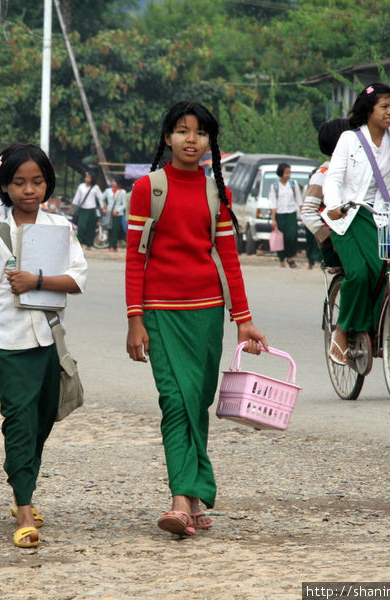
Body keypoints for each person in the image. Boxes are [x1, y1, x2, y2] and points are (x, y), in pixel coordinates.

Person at [125, 100, 267, 538]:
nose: (192, 139)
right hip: (161, 314)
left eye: (201, 132)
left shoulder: (214, 192)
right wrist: (135, 319)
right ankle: (181, 499)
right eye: (182, 131)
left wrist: (243, 319)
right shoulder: (148, 188)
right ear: (167, 137)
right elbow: (135, 257)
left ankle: (194, 495)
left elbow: (228, 257)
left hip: (206, 314)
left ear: (210, 142)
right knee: (175, 401)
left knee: (197, 402)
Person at [0, 143, 88, 548]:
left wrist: (36, 281)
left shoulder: (61, 229)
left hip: (48, 339)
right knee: (18, 419)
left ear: (47, 183)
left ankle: (22, 480)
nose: (29, 190)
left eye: (36, 181)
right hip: (8, 342)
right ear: (5, 186)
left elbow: (77, 279)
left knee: (42, 418)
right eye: (19, 182)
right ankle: (23, 506)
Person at [323, 83, 390, 365]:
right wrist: (333, 205)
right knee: (358, 274)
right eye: (384, 106)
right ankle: (342, 332)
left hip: (382, 217)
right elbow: (333, 177)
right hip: (349, 215)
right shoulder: (349, 139)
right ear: (368, 110)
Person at [300, 119, 351, 273]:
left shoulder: (354, 173)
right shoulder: (323, 175)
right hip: (338, 242)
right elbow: (308, 212)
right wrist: (329, 237)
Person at [268, 163, 302, 268]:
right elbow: (273, 203)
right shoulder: (275, 186)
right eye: (286, 173)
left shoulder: (293, 184)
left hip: (291, 214)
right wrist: (273, 219)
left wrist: (303, 214)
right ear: (281, 173)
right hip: (280, 215)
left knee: (291, 236)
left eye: (289, 172)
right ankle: (282, 258)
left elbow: (299, 200)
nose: (288, 175)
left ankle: (290, 256)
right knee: (281, 238)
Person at [71, 172, 102, 248]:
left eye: (89, 177)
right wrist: (72, 206)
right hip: (82, 209)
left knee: (90, 227)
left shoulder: (95, 187)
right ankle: (80, 243)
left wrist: (103, 207)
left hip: (92, 210)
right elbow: (77, 197)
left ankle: (89, 244)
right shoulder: (81, 186)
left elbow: (100, 197)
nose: (87, 179)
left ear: (92, 179)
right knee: (81, 226)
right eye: (86, 177)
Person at [103, 177, 127, 252]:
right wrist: (103, 207)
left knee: (115, 230)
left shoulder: (122, 192)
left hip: (118, 214)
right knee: (109, 229)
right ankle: (112, 245)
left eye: (115, 181)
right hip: (109, 212)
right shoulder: (108, 191)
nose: (113, 183)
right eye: (113, 181)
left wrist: (117, 211)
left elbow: (125, 204)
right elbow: (101, 198)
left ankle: (112, 246)